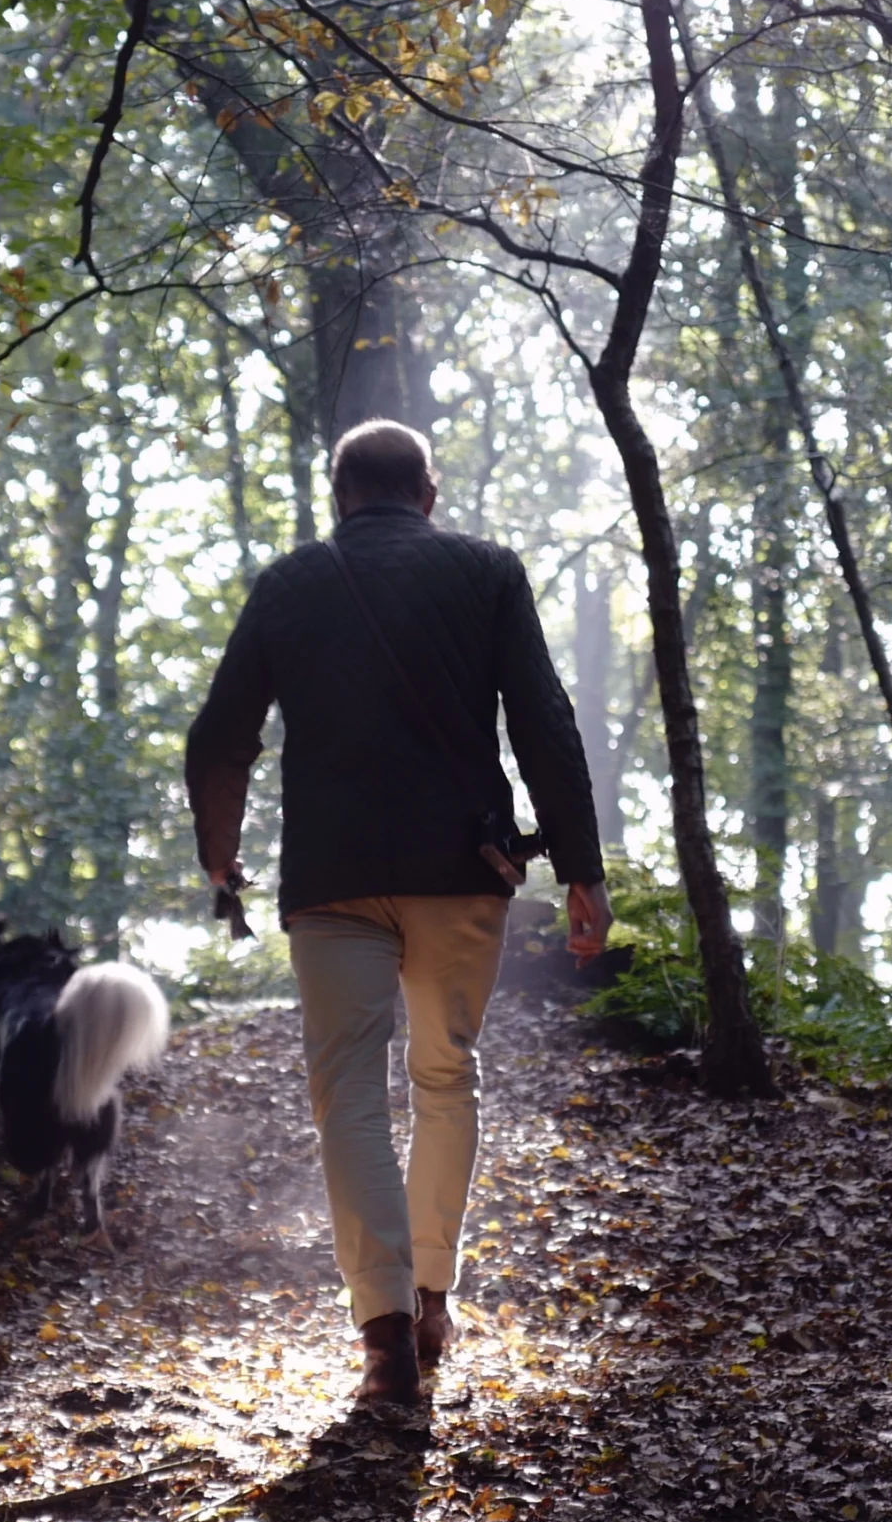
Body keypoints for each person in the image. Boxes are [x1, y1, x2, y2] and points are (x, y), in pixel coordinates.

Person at [183, 419, 610, 1417]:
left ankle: (384, 1347)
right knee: (445, 1072)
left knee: (349, 1093)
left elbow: (220, 734)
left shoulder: (291, 584)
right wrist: (582, 871)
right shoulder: (488, 571)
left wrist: (220, 847)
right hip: (460, 868)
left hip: (331, 874)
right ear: (429, 491)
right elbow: (542, 717)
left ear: (339, 495)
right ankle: (429, 1300)